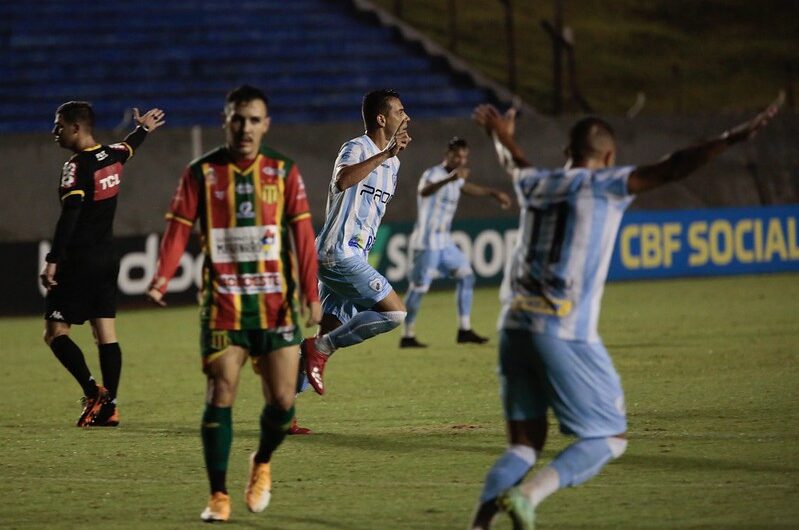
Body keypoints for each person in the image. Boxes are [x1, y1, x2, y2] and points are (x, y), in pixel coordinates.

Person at [468, 95, 783, 530]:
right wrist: (733, 137)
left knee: (522, 446)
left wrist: (500, 136)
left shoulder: (537, 183)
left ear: (566, 154)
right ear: (610, 156)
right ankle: (528, 495)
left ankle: (478, 526)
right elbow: (674, 166)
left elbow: (514, 163)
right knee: (609, 437)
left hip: (512, 327)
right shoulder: (606, 185)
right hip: (562, 328)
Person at [145, 85, 321, 522]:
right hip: (223, 305)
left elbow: (302, 235)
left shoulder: (283, 172)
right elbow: (179, 227)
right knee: (221, 389)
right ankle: (218, 495)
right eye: (237, 119)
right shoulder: (200, 173)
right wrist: (162, 277)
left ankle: (261, 460)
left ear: (266, 125)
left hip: (275, 304)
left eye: (254, 119)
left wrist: (311, 293)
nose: (245, 127)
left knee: (282, 401)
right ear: (226, 120)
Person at [41, 101, 165, 428]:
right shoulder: (111, 155)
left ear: (76, 128)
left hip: (78, 261)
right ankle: (110, 407)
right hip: (108, 258)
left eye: (59, 125)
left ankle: (92, 391)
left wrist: (54, 260)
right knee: (105, 334)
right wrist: (143, 130)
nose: (55, 132)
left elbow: (71, 215)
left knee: (55, 332)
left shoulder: (76, 167)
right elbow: (129, 146)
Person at [300, 89, 411, 396]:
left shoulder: (395, 165)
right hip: (337, 252)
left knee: (328, 332)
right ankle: (319, 347)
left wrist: (389, 157)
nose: (407, 118)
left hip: (354, 257)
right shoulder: (357, 147)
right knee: (394, 314)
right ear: (381, 118)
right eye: (400, 112)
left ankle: (283, 412)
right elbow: (343, 180)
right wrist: (385, 153)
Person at [400, 136, 512, 348]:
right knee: (419, 288)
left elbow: (467, 187)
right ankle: (408, 335)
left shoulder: (457, 178)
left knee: (466, 276)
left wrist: (493, 193)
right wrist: (450, 179)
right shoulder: (432, 174)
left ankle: (464, 329)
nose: (461, 160)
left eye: (464, 157)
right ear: (447, 155)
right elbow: (424, 191)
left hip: (445, 242)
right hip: (426, 243)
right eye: (457, 156)